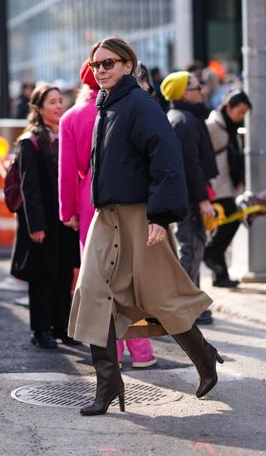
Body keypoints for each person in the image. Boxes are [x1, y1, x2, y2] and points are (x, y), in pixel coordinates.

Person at [67, 37, 223, 416]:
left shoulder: (140, 105)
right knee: (90, 291)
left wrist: (160, 215)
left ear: (127, 65)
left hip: (140, 215)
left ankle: (203, 358)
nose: (101, 70)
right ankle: (109, 384)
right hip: (108, 216)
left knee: (160, 294)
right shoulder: (108, 105)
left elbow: (166, 160)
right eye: (96, 65)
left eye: (108, 63)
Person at [59, 60, 157, 369]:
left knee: (97, 281)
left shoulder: (71, 117)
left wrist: (67, 211)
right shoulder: (123, 108)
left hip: (89, 198)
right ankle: (142, 350)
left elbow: (66, 172)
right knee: (129, 275)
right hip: (127, 196)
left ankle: (111, 352)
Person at [10, 84, 80, 349]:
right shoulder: (31, 141)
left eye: (61, 101)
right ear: (39, 109)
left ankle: (62, 326)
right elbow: (30, 188)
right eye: (52, 102)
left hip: (65, 219)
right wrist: (36, 225)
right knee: (42, 276)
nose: (59, 106)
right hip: (41, 220)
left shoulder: (66, 135)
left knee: (64, 273)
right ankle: (41, 330)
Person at [160, 71, 218, 325]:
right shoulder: (184, 120)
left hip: (185, 196)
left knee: (192, 246)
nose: (202, 90)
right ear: (184, 92)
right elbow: (190, 165)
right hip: (189, 198)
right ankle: (184, 306)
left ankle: (191, 303)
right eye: (196, 87)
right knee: (191, 248)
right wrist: (203, 198)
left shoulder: (181, 117)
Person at [204, 89, 252, 287]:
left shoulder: (228, 126)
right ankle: (210, 255)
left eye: (244, 113)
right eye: (239, 111)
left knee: (227, 224)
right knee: (230, 222)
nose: (240, 117)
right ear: (228, 107)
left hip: (226, 184)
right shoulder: (212, 126)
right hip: (215, 186)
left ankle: (220, 275)